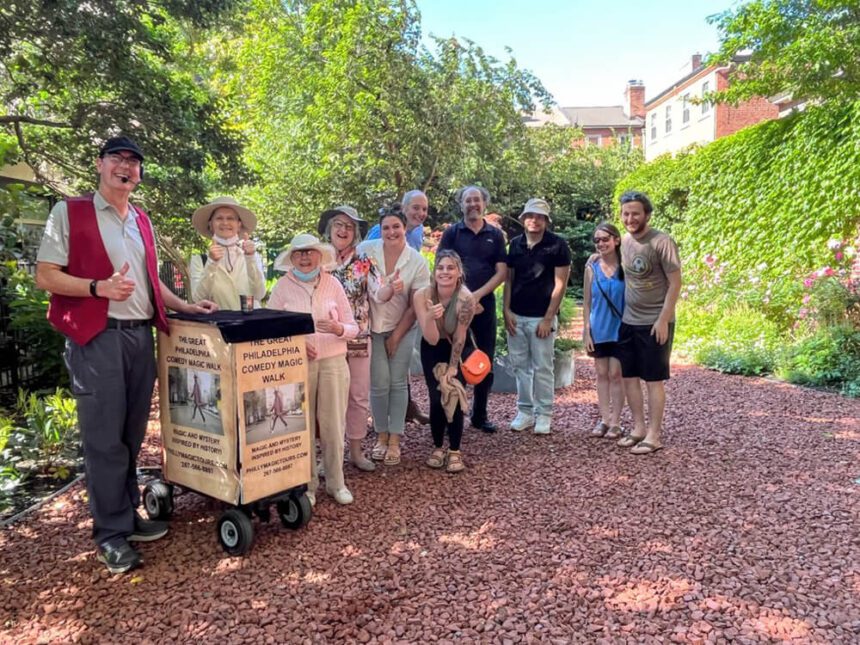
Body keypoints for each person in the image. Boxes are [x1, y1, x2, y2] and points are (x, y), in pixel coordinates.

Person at [35, 135, 218, 574]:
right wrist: (97, 288)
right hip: (97, 338)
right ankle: (111, 535)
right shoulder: (69, 212)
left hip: (140, 338)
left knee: (131, 435)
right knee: (103, 439)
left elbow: (150, 280)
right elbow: (45, 275)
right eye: (117, 157)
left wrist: (184, 306)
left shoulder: (142, 220)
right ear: (100, 165)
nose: (126, 166)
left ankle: (126, 517)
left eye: (134, 161)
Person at [268, 233, 358, 506]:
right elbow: (271, 328)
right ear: (291, 258)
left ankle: (336, 482)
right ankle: (307, 486)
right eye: (299, 253)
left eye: (310, 252)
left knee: (333, 425)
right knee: (301, 426)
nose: (305, 258)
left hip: (333, 363)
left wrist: (338, 328)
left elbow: (354, 328)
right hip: (297, 365)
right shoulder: (282, 287)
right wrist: (296, 344)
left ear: (320, 256)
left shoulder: (333, 284)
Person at [357, 208, 431, 465]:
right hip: (372, 327)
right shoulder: (366, 251)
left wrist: (396, 336)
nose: (391, 232)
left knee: (398, 382)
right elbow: (354, 283)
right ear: (381, 230)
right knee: (379, 383)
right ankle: (381, 435)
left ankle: (396, 440)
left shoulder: (417, 262)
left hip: (403, 325)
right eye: (386, 227)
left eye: (396, 227)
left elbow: (415, 305)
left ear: (404, 228)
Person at [614, 191, 682, 455]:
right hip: (628, 320)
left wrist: (664, 319)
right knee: (629, 377)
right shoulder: (626, 242)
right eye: (626, 213)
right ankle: (638, 428)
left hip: (655, 322)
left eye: (635, 213)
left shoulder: (662, 242)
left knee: (653, 379)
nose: (630, 218)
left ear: (647, 215)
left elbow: (675, 283)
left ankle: (654, 435)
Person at [437, 185, 507, 432]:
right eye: (468, 201)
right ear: (461, 204)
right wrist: (464, 298)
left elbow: (501, 272)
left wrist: (477, 295)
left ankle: (480, 415)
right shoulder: (452, 234)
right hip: (457, 305)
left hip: (484, 305)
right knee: (455, 358)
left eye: (477, 200)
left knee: (484, 359)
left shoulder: (495, 235)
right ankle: (453, 413)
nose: (473, 204)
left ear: (484, 203)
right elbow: (442, 268)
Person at [503, 198, 571, 435]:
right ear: (523, 219)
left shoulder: (557, 245)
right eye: (530, 216)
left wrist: (548, 317)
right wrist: (506, 310)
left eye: (540, 216)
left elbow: (560, 284)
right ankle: (525, 411)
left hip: (542, 317)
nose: (535, 220)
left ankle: (544, 414)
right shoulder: (515, 244)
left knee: (543, 367)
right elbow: (509, 279)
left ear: (546, 220)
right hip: (517, 316)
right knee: (520, 367)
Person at [317, 205, 375, 471]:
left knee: (358, 396)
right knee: (325, 397)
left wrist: (392, 289)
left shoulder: (364, 263)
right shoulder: (316, 262)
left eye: (349, 226)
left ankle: (355, 450)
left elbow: (379, 292)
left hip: (359, 338)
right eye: (339, 224)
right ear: (330, 229)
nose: (343, 230)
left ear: (356, 233)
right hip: (326, 339)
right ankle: (326, 455)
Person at [413, 250, 475, 472]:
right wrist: (429, 317)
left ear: (459, 272)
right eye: (440, 267)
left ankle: (455, 449)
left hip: (455, 348)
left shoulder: (466, 299)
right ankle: (438, 445)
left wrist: (452, 366)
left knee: (455, 393)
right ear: (434, 271)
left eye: (450, 268)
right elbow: (429, 337)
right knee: (437, 395)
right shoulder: (422, 296)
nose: (445, 272)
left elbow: (460, 336)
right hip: (432, 346)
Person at [582, 222, 626, 439]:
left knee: (617, 374)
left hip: (621, 328)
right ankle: (605, 419)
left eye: (605, 239)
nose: (601, 243)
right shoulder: (591, 268)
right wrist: (586, 330)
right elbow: (587, 303)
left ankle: (617, 421)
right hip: (599, 327)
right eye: (597, 240)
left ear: (616, 240)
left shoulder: (626, 267)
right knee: (601, 374)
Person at [188, 196, 266, 311]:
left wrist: (250, 259)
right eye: (219, 218)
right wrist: (212, 263)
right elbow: (198, 298)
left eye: (231, 218)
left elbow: (259, 294)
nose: (225, 222)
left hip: (250, 325)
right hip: (217, 326)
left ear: (239, 225)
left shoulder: (251, 256)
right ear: (211, 224)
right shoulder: (199, 260)